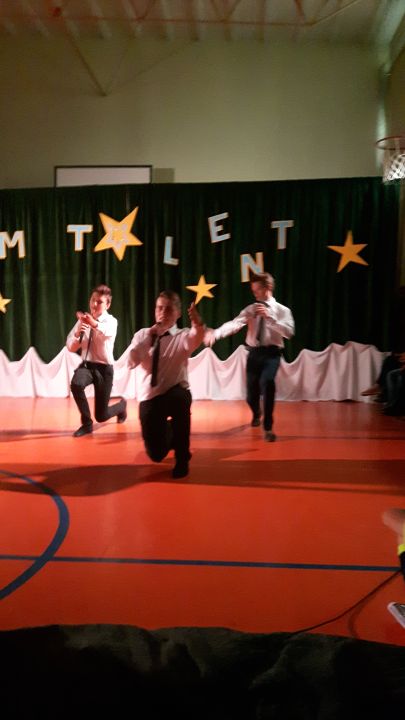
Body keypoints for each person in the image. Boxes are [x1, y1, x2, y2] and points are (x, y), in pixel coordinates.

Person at [204, 272, 294, 441]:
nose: (254, 294)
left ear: (268, 288)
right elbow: (235, 324)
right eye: (253, 290)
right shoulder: (251, 309)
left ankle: (268, 427)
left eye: (257, 290)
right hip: (254, 354)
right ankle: (256, 412)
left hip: (272, 353)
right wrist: (215, 334)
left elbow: (289, 333)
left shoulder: (282, 311)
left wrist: (270, 318)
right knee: (251, 395)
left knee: (268, 383)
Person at [128, 290, 205, 479]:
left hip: (175, 392)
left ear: (178, 313)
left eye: (168, 309)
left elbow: (197, 337)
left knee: (180, 398)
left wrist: (197, 323)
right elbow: (131, 361)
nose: (163, 312)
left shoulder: (182, 336)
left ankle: (182, 458)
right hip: (150, 397)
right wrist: (150, 338)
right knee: (156, 454)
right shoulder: (142, 335)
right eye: (159, 308)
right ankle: (173, 435)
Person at [66, 284, 127, 437]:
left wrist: (92, 323)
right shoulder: (83, 321)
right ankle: (87, 423)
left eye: (99, 302)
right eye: (92, 300)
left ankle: (121, 406)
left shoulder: (111, 321)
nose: (94, 304)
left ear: (108, 305)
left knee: (101, 415)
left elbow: (104, 331)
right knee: (76, 384)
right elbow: (70, 347)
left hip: (104, 369)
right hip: (86, 366)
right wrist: (78, 333)